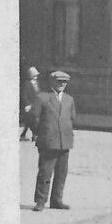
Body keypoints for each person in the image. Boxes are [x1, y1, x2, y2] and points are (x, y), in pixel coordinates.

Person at [30, 69, 76, 210]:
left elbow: (72, 118)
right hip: (48, 141)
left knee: (61, 173)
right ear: (52, 81)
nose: (62, 84)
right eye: (59, 81)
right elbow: (34, 118)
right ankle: (40, 201)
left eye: (64, 82)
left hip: (65, 141)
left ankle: (57, 200)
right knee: (45, 171)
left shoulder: (69, 99)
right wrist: (39, 133)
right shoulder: (43, 97)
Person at [20, 65, 40, 140]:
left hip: (36, 104)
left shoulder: (36, 83)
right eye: (34, 75)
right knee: (33, 120)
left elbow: (38, 93)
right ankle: (35, 135)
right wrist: (27, 104)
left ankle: (24, 135)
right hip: (29, 105)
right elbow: (24, 95)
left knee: (30, 121)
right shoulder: (27, 84)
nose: (36, 76)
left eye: (36, 75)